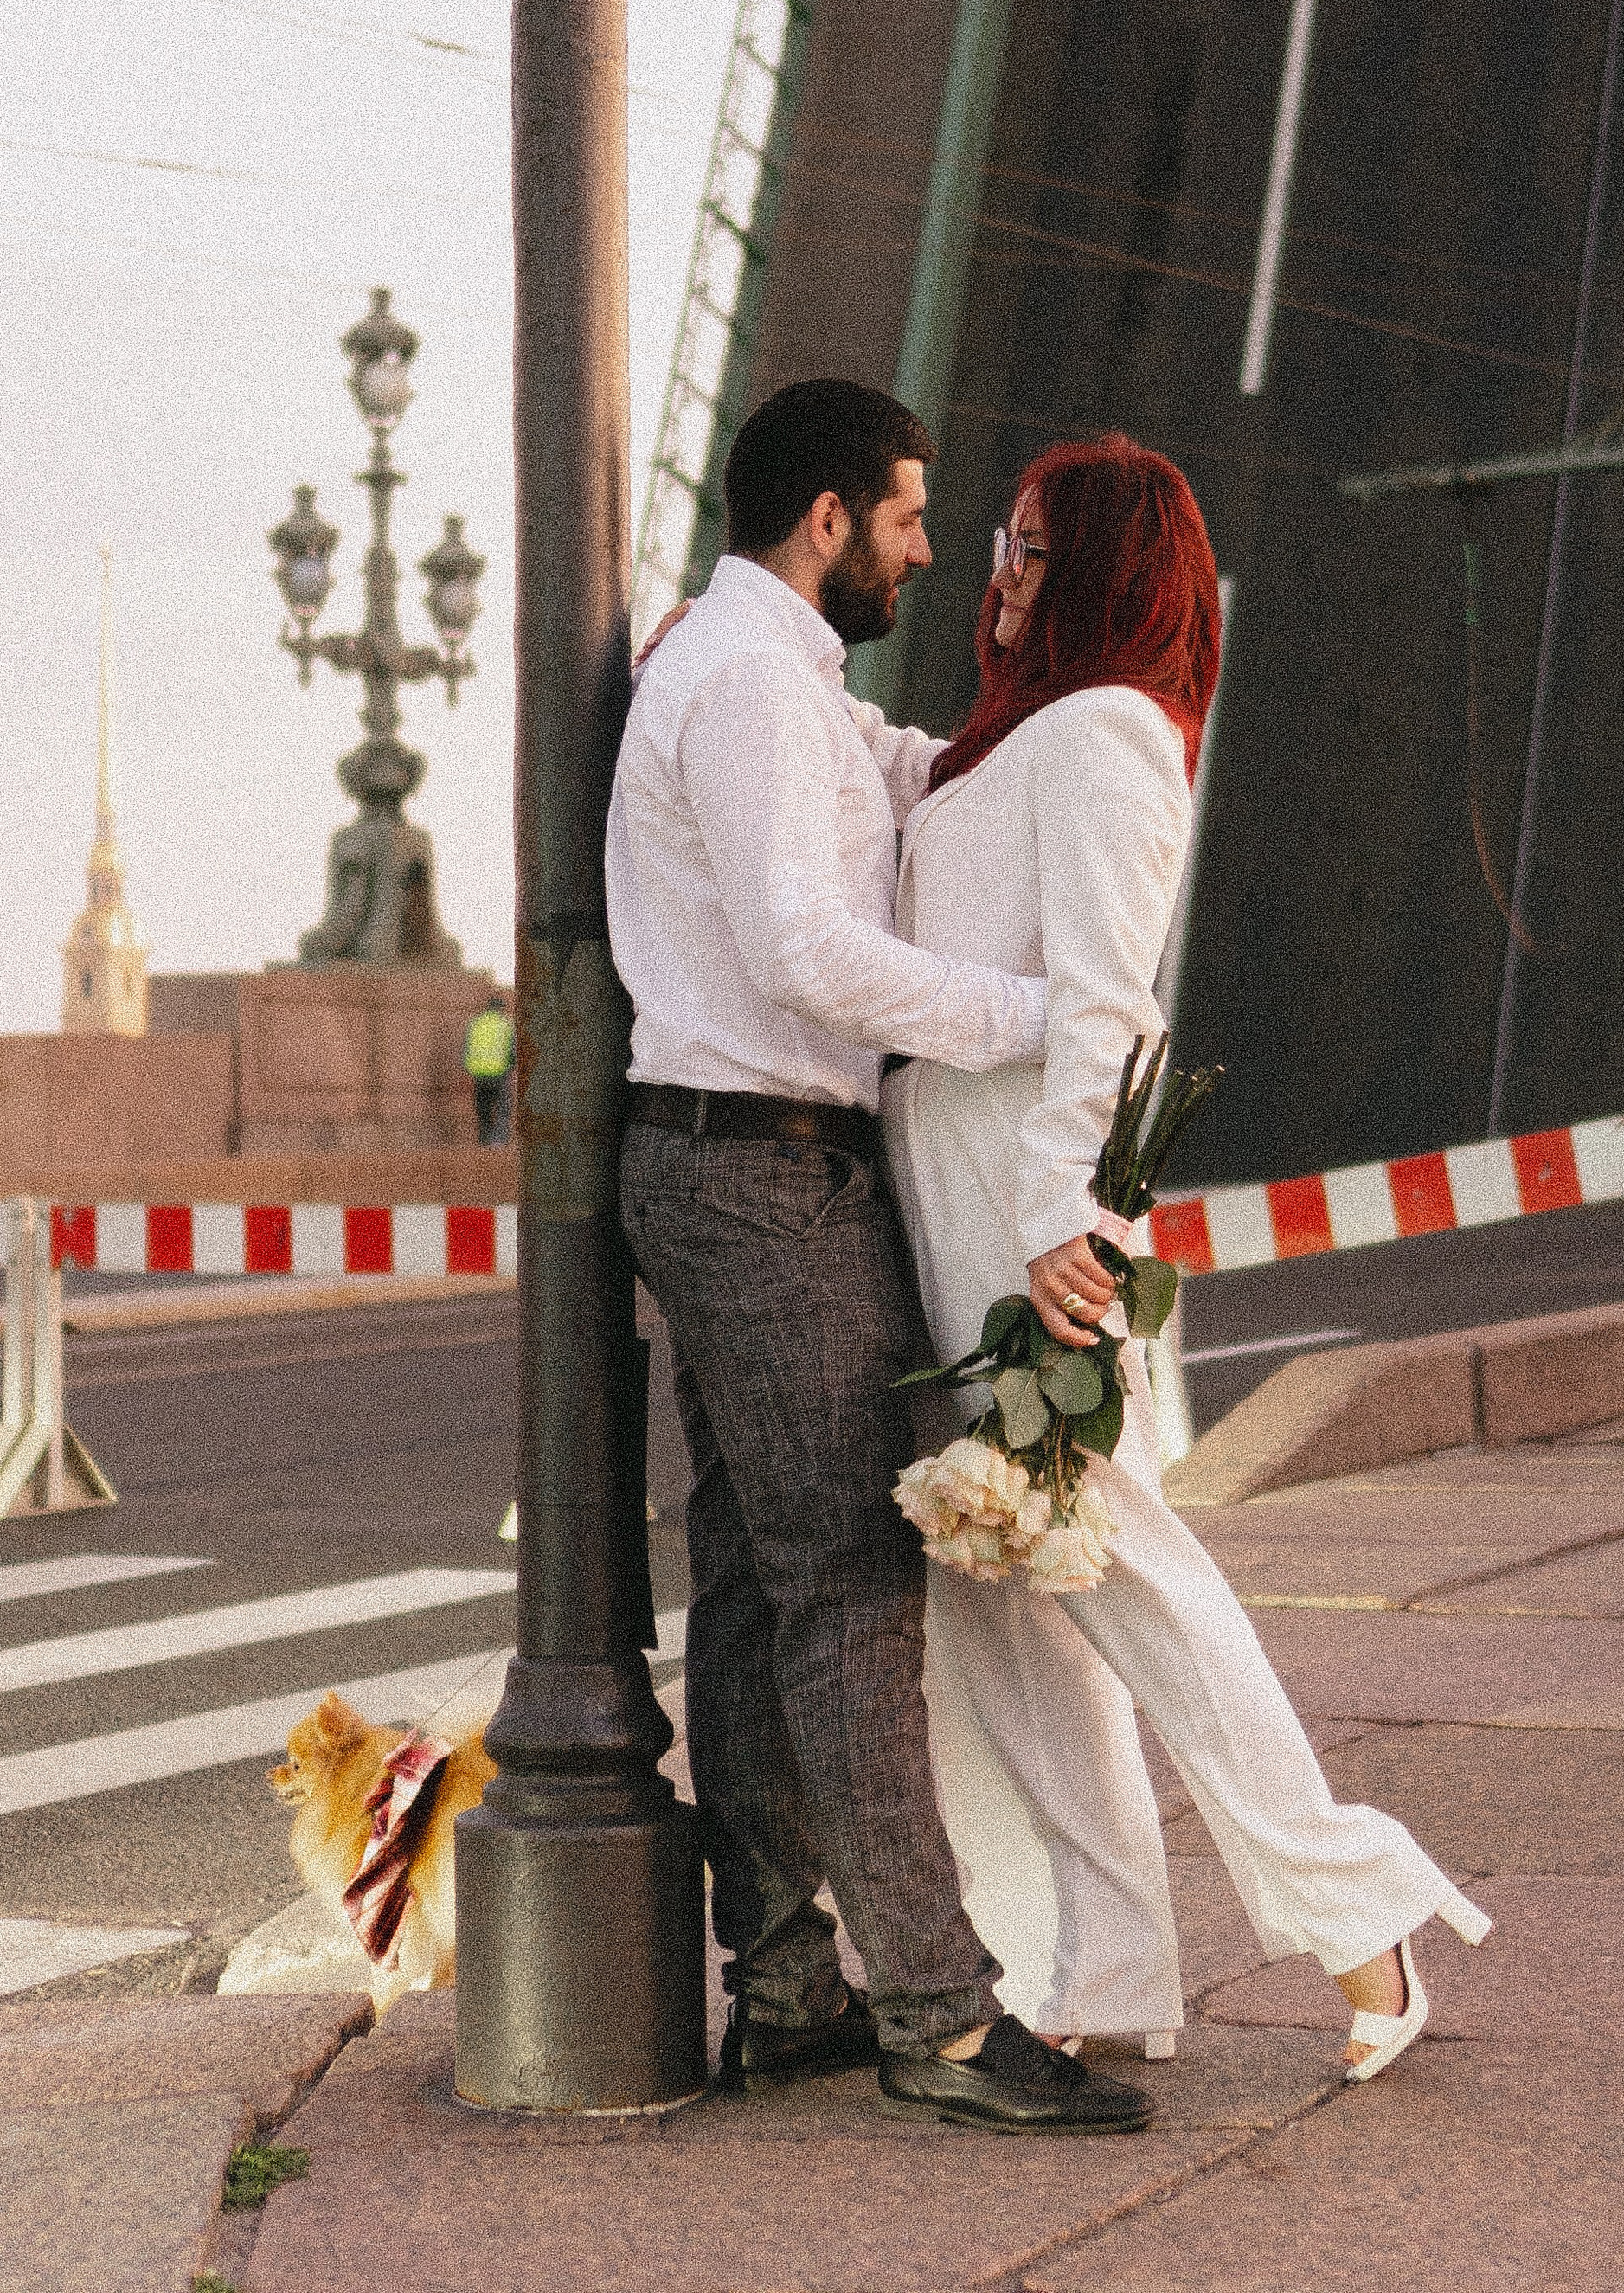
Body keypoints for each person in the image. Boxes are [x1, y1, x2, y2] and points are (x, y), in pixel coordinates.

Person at [882, 435, 1492, 2082]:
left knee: (1121, 1565)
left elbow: (1110, 1001)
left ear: (1094, 569)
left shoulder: (1105, 737)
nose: (995, 574)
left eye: (1024, 548)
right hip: (960, 1191)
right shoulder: (1006, 741)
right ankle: (1105, 1967)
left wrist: (1060, 1221)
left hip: (1031, 1209)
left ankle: (1356, 1909)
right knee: (1016, 1595)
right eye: (998, 543)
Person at [607, 379, 1152, 2136]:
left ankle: (781, 1986)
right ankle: (938, 2011)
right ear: (829, 521)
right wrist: (1034, 1013)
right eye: (910, 519)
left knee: (770, 1588)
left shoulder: (778, 678)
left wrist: (1019, 746)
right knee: (850, 1580)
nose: (929, 548)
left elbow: (903, 782)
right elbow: (798, 949)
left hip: (728, 1167)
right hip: (759, 1173)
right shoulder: (754, 679)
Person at [463, 989, 514, 1146]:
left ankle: (484, 1141)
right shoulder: (506, 1024)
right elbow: (512, 1051)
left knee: (483, 1108)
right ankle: (499, 1141)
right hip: (499, 1073)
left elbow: (466, 1049)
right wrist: (511, 1068)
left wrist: (469, 1068)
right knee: (502, 1108)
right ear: (501, 1008)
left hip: (479, 1074)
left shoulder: (475, 1023)